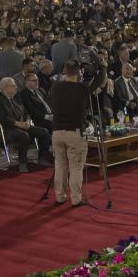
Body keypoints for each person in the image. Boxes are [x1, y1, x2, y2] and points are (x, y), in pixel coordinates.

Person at [47, 61, 90, 207]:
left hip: (57, 131)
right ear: (79, 73)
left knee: (60, 165)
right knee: (75, 166)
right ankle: (76, 198)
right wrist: (102, 67)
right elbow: (97, 83)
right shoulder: (81, 88)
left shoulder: (55, 87)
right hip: (74, 132)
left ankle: (60, 196)